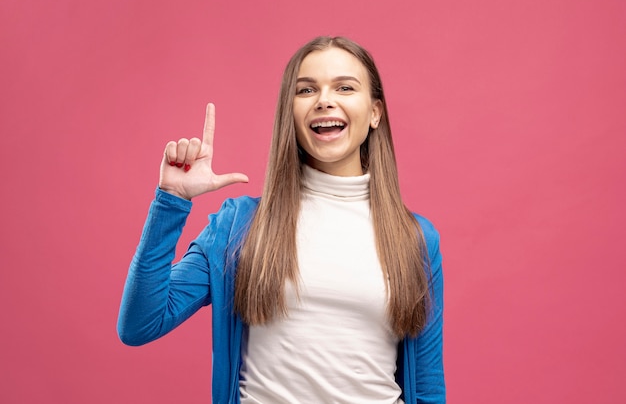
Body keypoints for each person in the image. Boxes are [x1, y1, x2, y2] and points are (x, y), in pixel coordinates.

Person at [117, 36, 445, 404]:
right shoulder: (238, 227)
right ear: (290, 112)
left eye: (344, 87)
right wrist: (171, 200)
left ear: (374, 113)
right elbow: (140, 323)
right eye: (306, 90)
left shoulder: (414, 239)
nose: (324, 100)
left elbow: (429, 387)